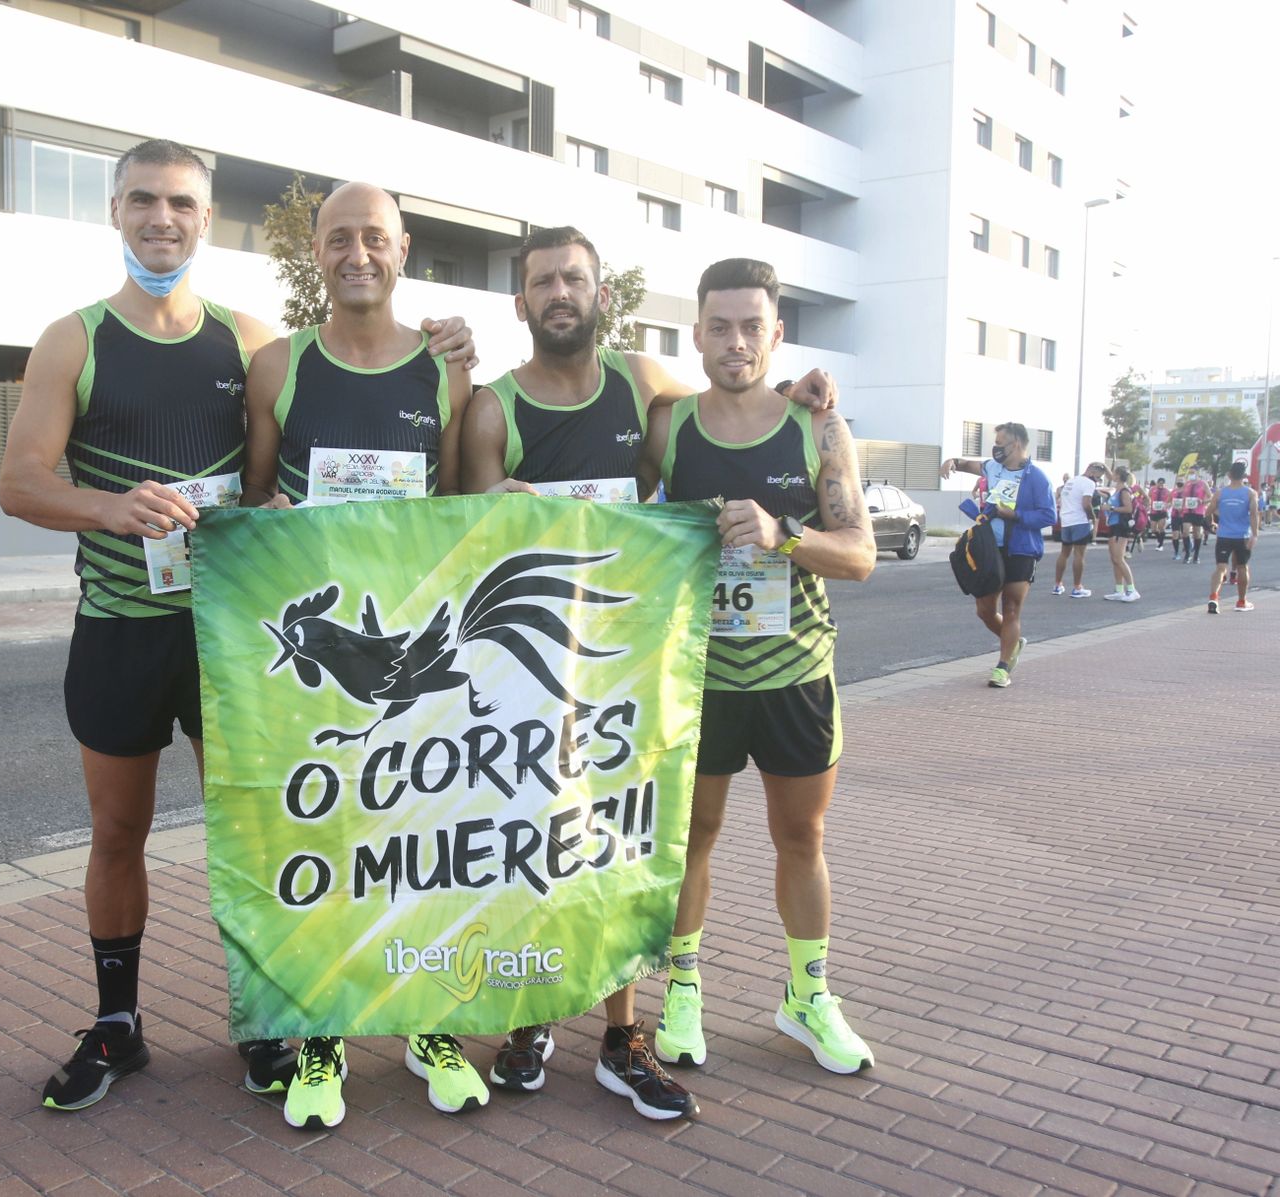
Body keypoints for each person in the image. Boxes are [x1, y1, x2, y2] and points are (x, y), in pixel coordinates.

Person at [0, 144, 472, 1113]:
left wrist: (449, 351)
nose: (161, 219)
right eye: (143, 200)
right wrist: (109, 508)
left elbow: (285, 468)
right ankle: (118, 1023)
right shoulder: (72, 339)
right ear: (116, 210)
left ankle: (266, 1022)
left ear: (207, 220)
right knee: (117, 831)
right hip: (124, 631)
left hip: (237, 641)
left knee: (255, 838)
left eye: (181, 203)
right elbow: (19, 484)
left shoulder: (253, 346)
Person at [461, 228, 838, 1119]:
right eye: (543, 280)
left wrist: (798, 394)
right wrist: (496, 505)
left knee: (623, 844)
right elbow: (465, 531)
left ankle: (624, 1030)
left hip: (630, 656)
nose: (561, 291)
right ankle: (531, 1012)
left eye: (576, 278)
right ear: (521, 301)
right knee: (534, 843)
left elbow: (733, 396)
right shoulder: (491, 408)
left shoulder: (642, 386)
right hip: (532, 664)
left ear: (600, 295)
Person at [242, 181, 483, 1131]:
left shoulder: (446, 371)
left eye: (374, 238)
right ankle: (320, 1034)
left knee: (418, 856)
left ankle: (428, 1026)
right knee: (326, 855)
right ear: (316, 252)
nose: (357, 254)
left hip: (409, 669)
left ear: (403, 248)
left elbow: (469, 517)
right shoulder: (276, 368)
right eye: (338, 239)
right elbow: (252, 509)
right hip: (322, 683)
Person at [635, 258, 877, 1079]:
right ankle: (684, 990)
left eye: (752, 327)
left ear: (776, 334)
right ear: (696, 334)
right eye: (719, 326)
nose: (736, 342)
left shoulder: (819, 429)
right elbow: (617, 526)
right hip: (696, 678)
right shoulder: (670, 427)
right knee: (691, 838)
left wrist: (785, 535)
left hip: (796, 674)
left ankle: (807, 996)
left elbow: (861, 554)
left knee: (801, 834)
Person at [940, 424, 1057, 688]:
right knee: (984, 610)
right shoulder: (993, 468)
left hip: (1022, 549)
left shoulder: (1037, 478)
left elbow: (1049, 516)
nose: (995, 448)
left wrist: (1015, 515)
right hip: (990, 547)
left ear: (1015, 445)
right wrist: (953, 462)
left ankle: (1003, 667)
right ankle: (1014, 641)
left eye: (1000, 443)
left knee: (1012, 607)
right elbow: (972, 465)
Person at [1206, 461, 1259, 614]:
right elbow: (1254, 515)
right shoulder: (1250, 493)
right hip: (1242, 535)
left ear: (1229, 475)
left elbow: (1208, 511)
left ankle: (1214, 598)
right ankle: (1241, 601)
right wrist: (1254, 535)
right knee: (1242, 567)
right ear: (1244, 476)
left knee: (1221, 567)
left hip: (1223, 535)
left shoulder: (1220, 493)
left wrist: (1213, 523)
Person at [1051, 462, 1102, 597]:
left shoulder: (1071, 481)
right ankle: (1077, 587)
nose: (1098, 480)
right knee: (1079, 554)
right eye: (1098, 477)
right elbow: (1086, 503)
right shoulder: (1088, 483)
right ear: (1092, 472)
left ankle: (1057, 585)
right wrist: (1092, 517)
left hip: (1066, 520)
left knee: (1064, 553)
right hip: (1079, 520)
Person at [1103, 466, 1141, 602]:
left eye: (1114, 473)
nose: (1112, 475)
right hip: (1113, 525)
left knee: (1119, 559)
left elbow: (1128, 508)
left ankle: (1131, 589)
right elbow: (1108, 476)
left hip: (1121, 527)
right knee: (1114, 559)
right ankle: (1119, 589)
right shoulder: (1116, 490)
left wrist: (1111, 508)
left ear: (1118, 476)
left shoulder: (1124, 491)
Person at [1182, 470, 1211, 564]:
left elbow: (1210, 497)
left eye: (1192, 472)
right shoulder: (1187, 484)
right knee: (1185, 531)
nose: (1191, 474)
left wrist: (1202, 501)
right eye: (1189, 473)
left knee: (1196, 533)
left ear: (1197, 473)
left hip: (1198, 511)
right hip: (1187, 511)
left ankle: (1196, 555)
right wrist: (1181, 507)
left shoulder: (1203, 484)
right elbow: (1183, 497)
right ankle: (1187, 554)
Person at [1147, 477, 1172, 550]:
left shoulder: (1167, 491)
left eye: (1162, 484)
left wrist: (1168, 505)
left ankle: (1160, 545)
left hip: (1162, 512)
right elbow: (1148, 497)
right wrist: (1148, 505)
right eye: (1159, 483)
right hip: (1154, 511)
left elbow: (1171, 500)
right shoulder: (1152, 489)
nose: (1161, 485)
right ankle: (1159, 538)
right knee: (1153, 529)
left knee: (1161, 528)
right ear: (1157, 483)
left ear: (1164, 484)